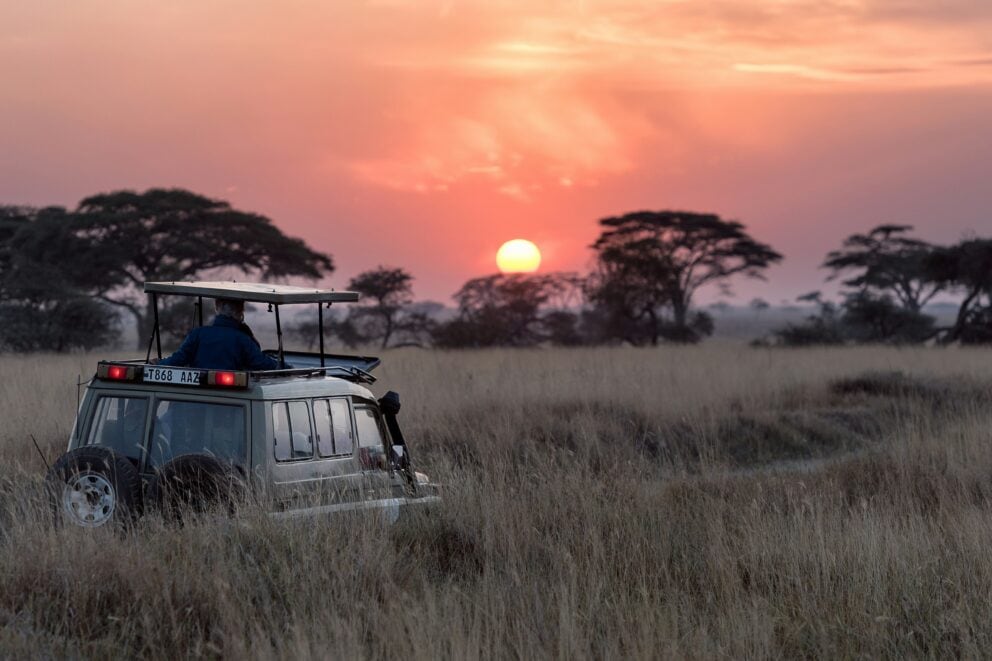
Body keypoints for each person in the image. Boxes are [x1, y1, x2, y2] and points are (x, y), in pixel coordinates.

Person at [155, 298, 282, 371]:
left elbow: (179, 359)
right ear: (240, 310)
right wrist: (285, 367)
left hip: (197, 398)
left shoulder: (198, 334)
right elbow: (261, 362)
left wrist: (157, 364)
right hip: (232, 400)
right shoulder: (243, 339)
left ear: (217, 307)